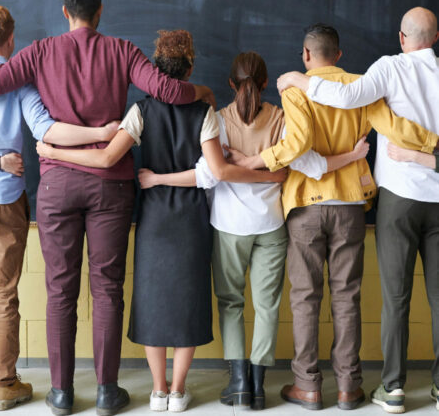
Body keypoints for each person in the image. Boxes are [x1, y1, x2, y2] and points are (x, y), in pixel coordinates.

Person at [0, 0, 217, 416]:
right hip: (111, 183)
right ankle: (108, 393)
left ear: (64, 13)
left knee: (60, 291)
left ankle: (60, 394)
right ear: (101, 11)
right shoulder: (122, 51)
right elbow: (169, 91)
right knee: (108, 289)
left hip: (56, 184)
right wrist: (203, 92)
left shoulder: (38, 52)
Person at [37, 31, 286, 413]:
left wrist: (53, 150)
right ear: (189, 68)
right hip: (191, 217)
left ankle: (157, 390)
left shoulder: (140, 111)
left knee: (152, 300)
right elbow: (215, 170)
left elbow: (105, 160)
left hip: (153, 218)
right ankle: (178, 390)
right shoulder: (204, 111)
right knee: (188, 300)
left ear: (155, 70)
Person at [136, 51, 370, 411]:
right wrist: (271, 174)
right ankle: (259, 385)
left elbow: (208, 174)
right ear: (265, 83)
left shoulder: (217, 119)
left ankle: (239, 383)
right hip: (272, 224)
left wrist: (235, 166)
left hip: (228, 226)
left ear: (231, 84)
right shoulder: (281, 117)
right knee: (267, 306)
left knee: (231, 303)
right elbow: (296, 167)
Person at [225, 23, 439, 412]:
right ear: (338, 55)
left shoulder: (295, 89)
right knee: (347, 297)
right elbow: (393, 127)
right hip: (350, 205)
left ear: (306, 55)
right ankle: (348, 387)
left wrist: (255, 161)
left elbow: (298, 144)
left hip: (306, 205)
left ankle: (307, 385)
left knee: (305, 298)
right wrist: (432, 143)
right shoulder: (362, 85)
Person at [0, 5, 119, 412]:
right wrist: (100, 134)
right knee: (3, 292)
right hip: (3, 196)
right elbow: (46, 130)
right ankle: (7, 383)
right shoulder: (20, 86)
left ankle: (44, 388)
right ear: (12, 39)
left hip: (24, 193)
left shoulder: (20, 79)